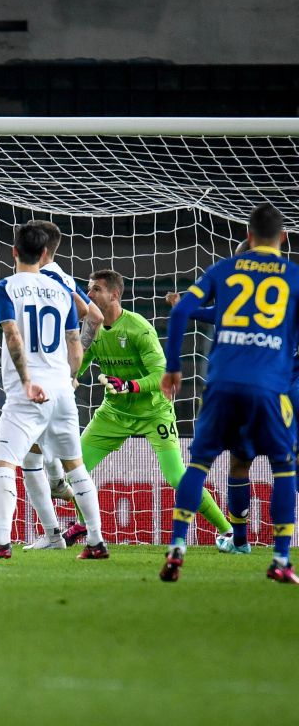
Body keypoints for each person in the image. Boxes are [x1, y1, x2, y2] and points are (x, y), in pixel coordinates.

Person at [160, 203, 299, 583]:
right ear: (283, 237)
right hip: (271, 388)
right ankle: (282, 559)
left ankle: (177, 547)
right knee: (284, 467)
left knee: (200, 466)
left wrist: (174, 367)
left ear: (249, 237)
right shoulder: (294, 277)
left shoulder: (223, 269)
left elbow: (180, 313)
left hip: (221, 385)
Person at [58, 269, 233, 548]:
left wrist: (129, 386)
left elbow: (161, 376)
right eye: (88, 289)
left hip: (153, 412)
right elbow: (80, 360)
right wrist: (69, 378)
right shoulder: (93, 328)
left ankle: (228, 531)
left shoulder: (138, 328)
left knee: (177, 478)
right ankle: (83, 525)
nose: (88, 295)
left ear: (114, 295)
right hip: (114, 413)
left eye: (95, 290)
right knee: (74, 471)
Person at [0, 222, 108, 560]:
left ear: (15, 251)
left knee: (3, 462)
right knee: (76, 467)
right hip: (61, 389)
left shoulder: (5, 288)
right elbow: (75, 341)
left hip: (27, 393)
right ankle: (95, 542)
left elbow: (14, 336)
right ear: (44, 252)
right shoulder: (61, 288)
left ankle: (0, 541)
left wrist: (29, 380)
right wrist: (71, 377)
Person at [25, 220, 105, 510]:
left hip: (45, 372)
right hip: (58, 374)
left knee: (31, 452)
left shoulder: (44, 280)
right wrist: (74, 365)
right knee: (39, 448)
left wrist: (73, 366)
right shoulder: (63, 276)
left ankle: (59, 493)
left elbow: (88, 313)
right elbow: (94, 315)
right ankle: (61, 492)